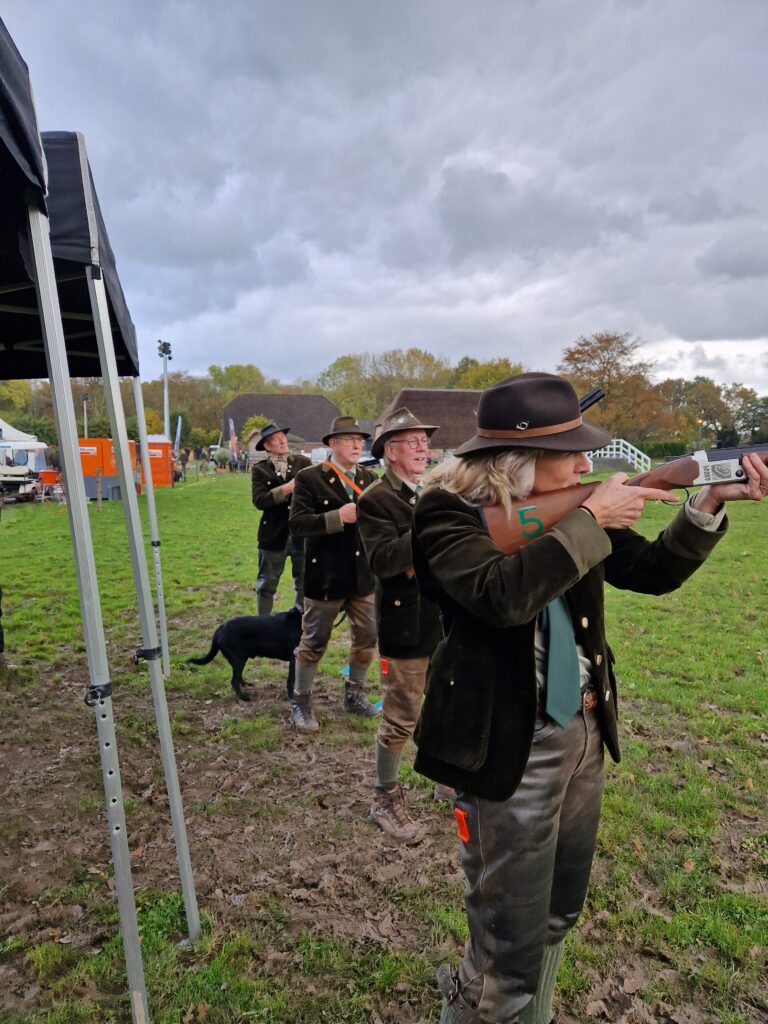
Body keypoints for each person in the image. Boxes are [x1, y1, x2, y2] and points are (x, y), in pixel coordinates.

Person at [410, 372, 768, 1024]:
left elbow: (653, 571)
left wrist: (709, 498)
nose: (587, 463)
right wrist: (586, 520)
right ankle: (487, 1006)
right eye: (571, 453)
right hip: (505, 748)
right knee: (504, 947)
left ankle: (530, 1014)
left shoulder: (580, 509)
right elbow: (500, 595)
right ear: (517, 462)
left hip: (583, 732)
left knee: (556, 913)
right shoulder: (443, 517)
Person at [357, 408, 444, 843]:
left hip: (441, 618)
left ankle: (445, 775)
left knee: (444, 702)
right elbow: (384, 561)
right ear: (390, 452)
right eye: (413, 441)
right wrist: (430, 525)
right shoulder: (375, 499)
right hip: (405, 621)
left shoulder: (430, 491)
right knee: (401, 714)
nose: (423, 447)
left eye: (424, 441)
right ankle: (384, 797)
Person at [288, 415, 380, 730]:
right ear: (332, 444)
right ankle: (300, 702)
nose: (357, 444)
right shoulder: (310, 478)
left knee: (368, 636)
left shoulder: (369, 478)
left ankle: (353, 696)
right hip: (325, 575)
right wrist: (336, 516)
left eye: (360, 439)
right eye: (349, 439)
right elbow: (297, 525)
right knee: (314, 641)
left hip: (362, 574)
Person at [250, 423, 311, 616]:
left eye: (283, 437)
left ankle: (299, 626)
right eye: (276, 438)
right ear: (267, 446)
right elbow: (259, 500)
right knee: (266, 584)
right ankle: (261, 626)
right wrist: (287, 488)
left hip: (302, 533)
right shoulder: (260, 470)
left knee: (304, 583)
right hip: (273, 534)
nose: (282, 440)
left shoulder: (303, 463)